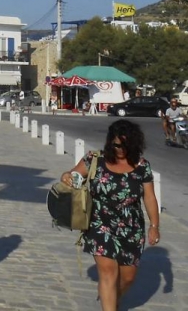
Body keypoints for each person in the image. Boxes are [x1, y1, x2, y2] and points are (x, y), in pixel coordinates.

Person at [61, 120, 160, 311]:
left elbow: (149, 197)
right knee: (108, 272)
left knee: (128, 277)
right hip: (99, 222)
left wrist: (154, 226)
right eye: (116, 145)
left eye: (125, 145)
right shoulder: (95, 159)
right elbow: (73, 177)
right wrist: (66, 176)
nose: (120, 149)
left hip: (131, 226)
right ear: (110, 142)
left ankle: (112, 300)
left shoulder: (142, 166)